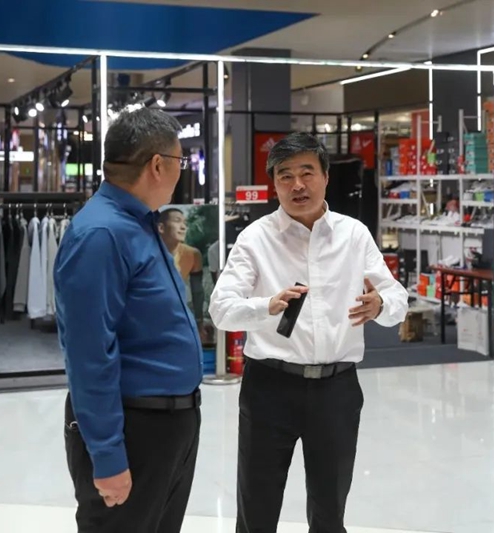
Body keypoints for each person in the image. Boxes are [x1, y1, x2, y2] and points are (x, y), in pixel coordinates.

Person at [208, 132, 409, 533]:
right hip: (270, 387)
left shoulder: (353, 235)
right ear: (274, 183)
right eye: (285, 176)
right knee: (257, 507)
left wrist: (380, 305)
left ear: (325, 177)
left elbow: (397, 298)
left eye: (307, 173)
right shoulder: (255, 238)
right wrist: (266, 306)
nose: (298, 185)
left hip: (337, 389)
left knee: (330, 509)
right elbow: (221, 309)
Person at [54, 108, 203, 533]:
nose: (181, 171)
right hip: (134, 427)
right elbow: (88, 354)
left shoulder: (141, 224)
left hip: (169, 425)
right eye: (179, 161)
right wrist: (107, 455)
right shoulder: (101, 234)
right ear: (157, 165)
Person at [158, 207, 205, 320]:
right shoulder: (146, 253)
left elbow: (197, 291)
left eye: (185, 223)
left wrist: (199, 320)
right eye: (177, 221)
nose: (183, 227)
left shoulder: (192, 254)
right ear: (161, 227)